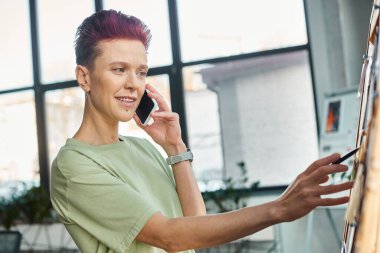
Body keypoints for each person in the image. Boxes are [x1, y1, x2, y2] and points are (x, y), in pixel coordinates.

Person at [50, 9, 353, 253]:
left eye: (141, 72)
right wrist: (278, 209)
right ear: (84, 77)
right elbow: (168, 237)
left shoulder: (142, 148)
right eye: (119, 69)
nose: (133, 83)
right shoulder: (74, 166)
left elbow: (195, 225)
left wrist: (175, 148)